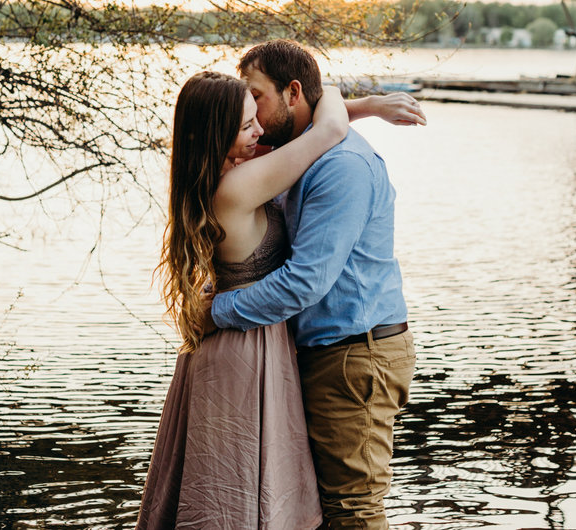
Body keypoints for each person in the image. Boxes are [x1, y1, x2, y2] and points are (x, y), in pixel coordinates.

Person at [137, 70, 423, 529]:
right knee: (235, 495)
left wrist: (368, 106)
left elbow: (313, 120)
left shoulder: (228, 170)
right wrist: (370, 104)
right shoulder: (238, 185)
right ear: (218, 133)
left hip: (251, 345)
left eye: (257, 116)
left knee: (254, 489)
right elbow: (325, 127)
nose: (260, 131)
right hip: (242, 350)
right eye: (247, 124)